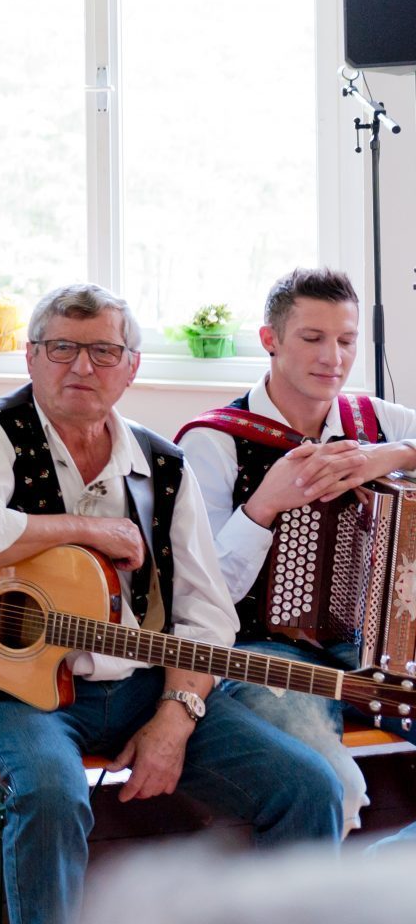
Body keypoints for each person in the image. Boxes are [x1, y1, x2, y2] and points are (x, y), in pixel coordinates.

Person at [0, 284, 344, 924]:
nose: (81, 367)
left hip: (144, 685)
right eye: (61, 348)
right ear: (30, 358)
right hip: (7, 687)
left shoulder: (163, 465)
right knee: (52, 794)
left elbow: (208, 613)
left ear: (132, 367)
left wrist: (175, 718)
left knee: (310, 788)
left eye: (104, 352)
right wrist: (86, 529)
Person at [175, 268, 416, 832]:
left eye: (346, 340)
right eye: (313, 338)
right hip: (261, 654)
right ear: (271, 340)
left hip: (377, 648)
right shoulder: (213, 440)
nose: (333, 356)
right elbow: (202, 595)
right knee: (334, 788)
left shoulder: (373, 420)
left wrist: (396, 454)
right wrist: (263, 505)